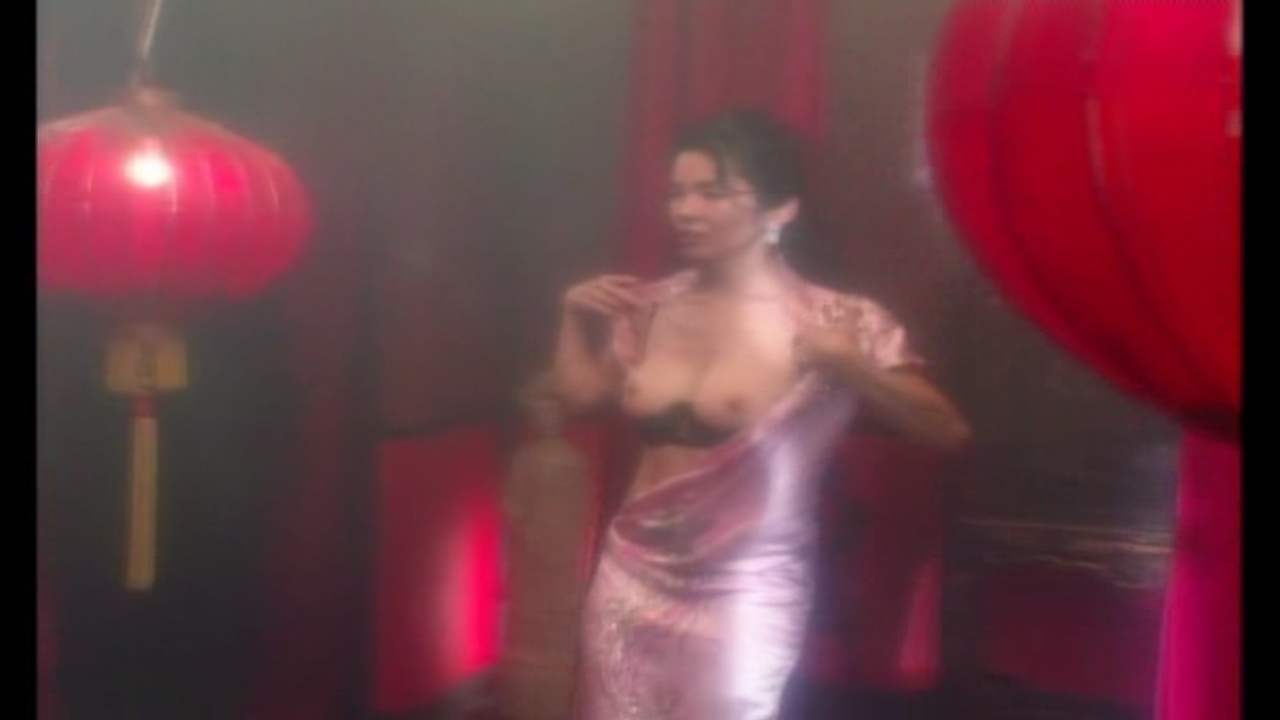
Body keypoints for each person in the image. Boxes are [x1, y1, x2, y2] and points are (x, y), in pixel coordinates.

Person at [552, 109, 971, 720]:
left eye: (712, 193)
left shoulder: (838, 321)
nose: (686, 210)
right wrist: (571, 317)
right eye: (676, 194)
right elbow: (577, 399)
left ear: (780, 209)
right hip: (631, 573)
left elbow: (947, 431)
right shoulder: (649, 308)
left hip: (745, 587)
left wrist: (852, 365)